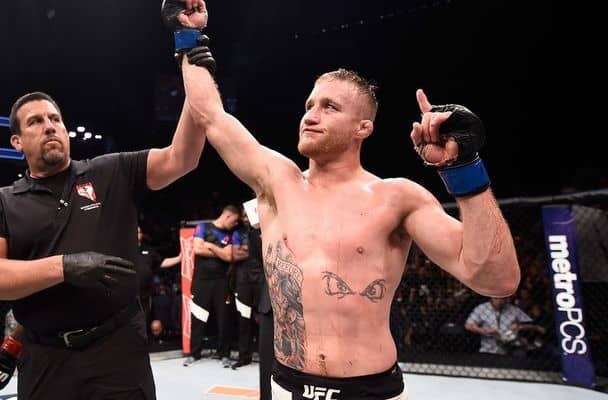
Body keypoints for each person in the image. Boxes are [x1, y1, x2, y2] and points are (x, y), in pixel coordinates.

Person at [166, 4, 520, 398]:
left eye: (329, 107)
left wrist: (464, 167)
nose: (311, 116)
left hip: (368, 390)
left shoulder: (396, 197)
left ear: (362, 128)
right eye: (309, 106)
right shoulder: (277, 181)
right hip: (286, 383)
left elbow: (497, 279)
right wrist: (187, 34)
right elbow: (211, 115)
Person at [0, 1, 209, 394]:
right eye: (36, 122)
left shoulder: (110, 170)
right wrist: (65, 266)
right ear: (17, 141)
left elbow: (184, 157)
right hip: (46, 358)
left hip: (117, 351)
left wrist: (191, 46)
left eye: (55, 119)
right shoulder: (5, 201)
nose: (50, 127)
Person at [183, 204, 240, 368]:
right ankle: (194, 353)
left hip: (222, 281)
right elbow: (198, 249)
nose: (235, 224)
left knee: (224, 318)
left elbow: (229, 256)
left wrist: (211, 246)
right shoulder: (203, 227)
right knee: (198, 317)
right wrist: (220, 251)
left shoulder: (232, 234)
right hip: (201, 280)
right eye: (234, 221)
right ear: (228, 216)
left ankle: (224, 354)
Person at [230, 208, 264, 370]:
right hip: (243, 279)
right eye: (242, 216)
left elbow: (265, 254)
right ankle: (244, 356)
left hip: (261, 279)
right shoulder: (238, 233)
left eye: (247, 215)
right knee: (243, 319)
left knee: (262, 319)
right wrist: (250, 250)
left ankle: (265, 356)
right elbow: (235, 254)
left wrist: (246, 249)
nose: (245, 218)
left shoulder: (264, 231)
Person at [136, 225, 181, 328]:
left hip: (145, 294)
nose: (136, 234)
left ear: (142, 235)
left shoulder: (149, 251)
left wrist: (179, 258)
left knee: (144, 319)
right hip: (129, 293)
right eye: (134, 232)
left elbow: (162, 262)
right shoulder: (125, 251)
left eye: (138, 232)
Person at [464, 297, 533, 356]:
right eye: (496, 298)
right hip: (488, 349)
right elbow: (468, 325)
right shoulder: (481, 308)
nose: (500, 301)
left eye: (502, 299)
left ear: (506, 299)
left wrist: (519, 326)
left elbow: (532, 324)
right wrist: (483, 330)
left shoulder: (513, 310)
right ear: (491, 297)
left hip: (511, 348)